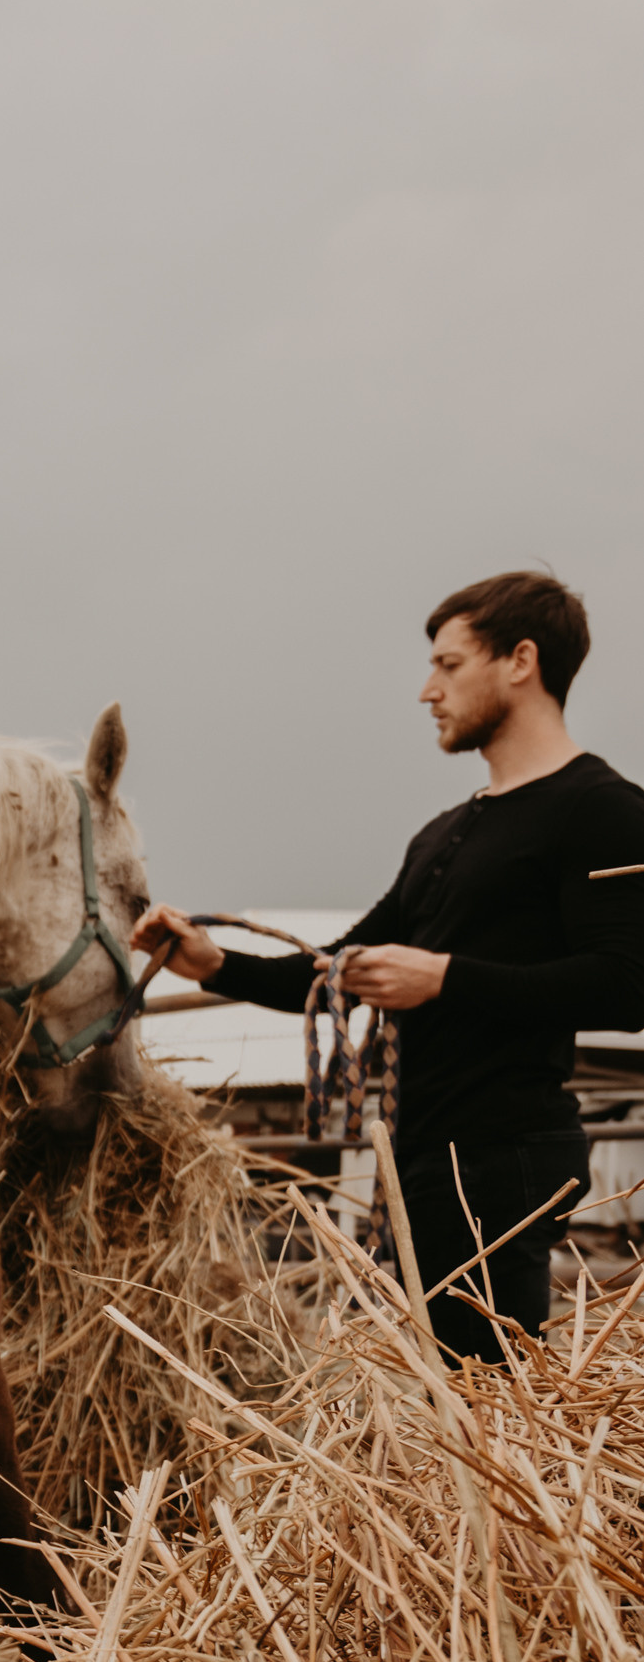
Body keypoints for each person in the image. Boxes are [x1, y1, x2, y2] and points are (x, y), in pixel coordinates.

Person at [135, 572, 644, 1363]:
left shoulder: (602, 810)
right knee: (427, 1408)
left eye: (446, 664)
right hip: (418, 1156)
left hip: (502, 1157)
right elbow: (337, 972)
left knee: (485, 1404)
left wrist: (444, 978)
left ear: (519, 661)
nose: (425, 691)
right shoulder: (443, 833)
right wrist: (210, 964)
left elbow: (626, 983)